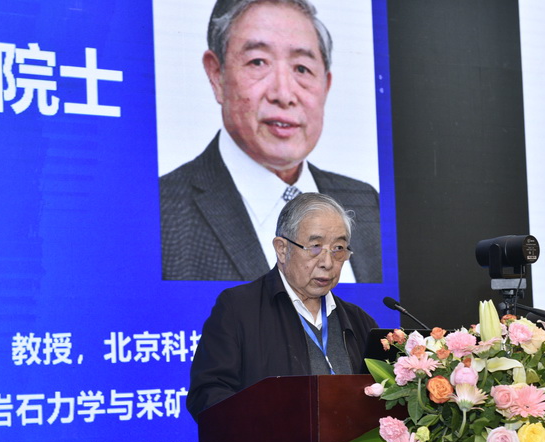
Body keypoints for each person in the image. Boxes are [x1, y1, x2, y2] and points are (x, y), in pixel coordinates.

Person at [187, 192, 378, 442]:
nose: (328, 262)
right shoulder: (238, 309)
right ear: (282, 248)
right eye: (315, 246)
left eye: (339, 248)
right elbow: (208, 396)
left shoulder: (360, 322)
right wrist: (276, 433)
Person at [160, 0, 382, 282]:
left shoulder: (365, 203)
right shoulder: (164, 211)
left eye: (301, 68)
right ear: (217, 76)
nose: (283, 94)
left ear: (325, 86)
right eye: (258, 62)